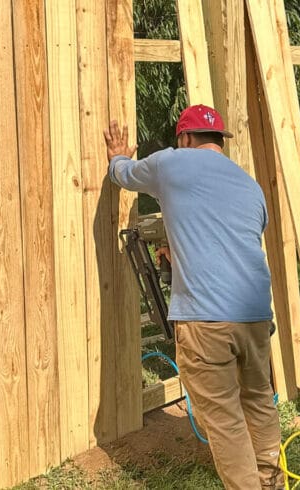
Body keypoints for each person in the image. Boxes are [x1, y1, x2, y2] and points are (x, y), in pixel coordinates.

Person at [104, 105, 283, 489]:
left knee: (223, 418)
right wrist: (181, 249)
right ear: (220, 140)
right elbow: (234, 237)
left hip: (206, 319)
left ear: (184, 138)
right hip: (254, 314)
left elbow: (124, 175)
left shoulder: (171, 162)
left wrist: (117, 156)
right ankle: (271, 480)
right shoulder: (249, 185)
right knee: (258, 399)